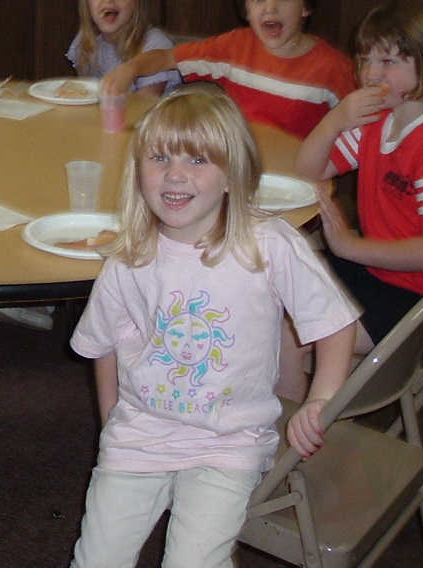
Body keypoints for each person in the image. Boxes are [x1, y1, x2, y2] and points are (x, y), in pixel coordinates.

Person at [69, 84, 358, 568]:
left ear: (231, 177)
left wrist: (320, 400)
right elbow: (105, 346)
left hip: (229, 441)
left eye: (198, 160)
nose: (175, 174)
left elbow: (335, 322)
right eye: (159, 158)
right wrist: (111, 426)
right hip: (140, 435)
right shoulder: (127, 258)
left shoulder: (267, 244)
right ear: (138, 171)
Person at [294, 0, 423, 364]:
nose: (370, 73)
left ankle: (312, 399)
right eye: (365, 58)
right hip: (384, 274)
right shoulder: (379, 121)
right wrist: (334, 121)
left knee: (298, 332)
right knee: (286, 284)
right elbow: (308, 172)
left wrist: (349, 246)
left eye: (388, 61)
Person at [101, 0, 355, 139]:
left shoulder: (333, 67)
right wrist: (130, 68)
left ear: (306, 7)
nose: (270, 8)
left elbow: (360, 136)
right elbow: (167, 58)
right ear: (246, 11)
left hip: (298, 182)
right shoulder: (234, 47)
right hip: (240, 171)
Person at [66, 0, 182, 97]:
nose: (108, 0)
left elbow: (144, 106)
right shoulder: (85, 43)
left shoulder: (155, 45)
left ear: (137, 1)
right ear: (86, 1)